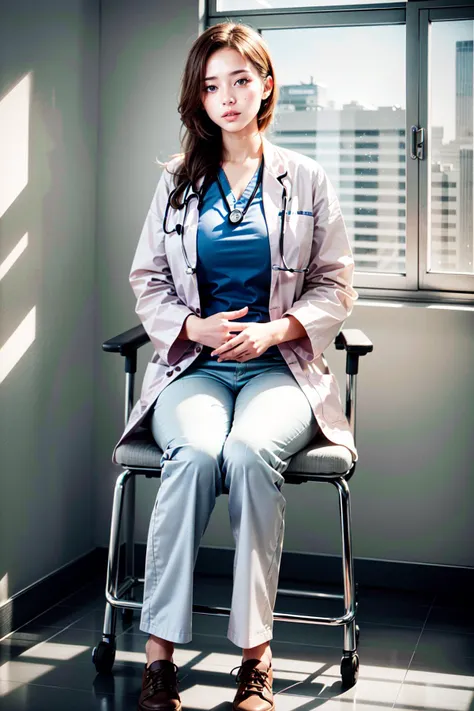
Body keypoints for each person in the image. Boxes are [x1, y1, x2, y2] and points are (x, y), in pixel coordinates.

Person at [120, 21, 358, 711]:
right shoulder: (175, 182)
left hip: (278, 371)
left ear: (266, 87)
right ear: (198, 97)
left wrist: (277, 330)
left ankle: (257, 656)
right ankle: (159, 654)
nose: (227, 97)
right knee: (194, 453)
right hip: (191, 370)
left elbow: (337, 283)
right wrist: (191, 325)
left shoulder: (307, 179)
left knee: (252, 453)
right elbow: (146, 278)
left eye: (240, 80)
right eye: (211, 84)